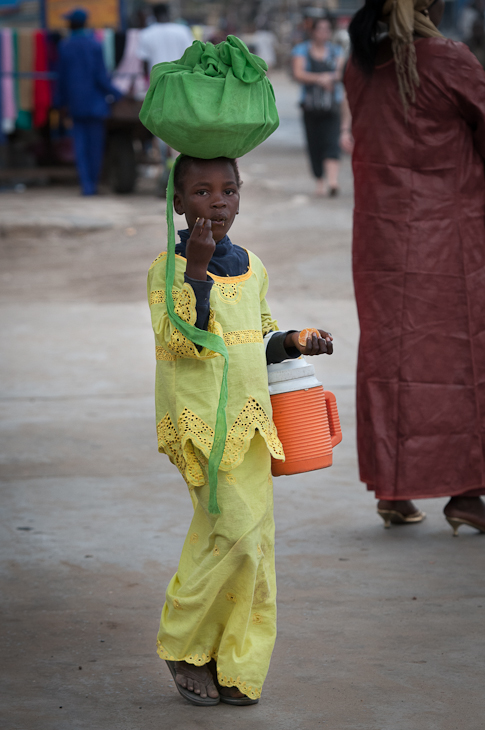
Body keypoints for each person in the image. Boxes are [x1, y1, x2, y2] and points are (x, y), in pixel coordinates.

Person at [147, 155, 334, 704]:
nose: (219, 202)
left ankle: (236, 662)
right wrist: (197, 272)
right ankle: (183, 644)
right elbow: (182, 339)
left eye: (229, 190)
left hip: (254, 423)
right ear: (178, 204)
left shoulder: (253, 265)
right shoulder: (167, 266)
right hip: (201, 424)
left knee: (256, 545)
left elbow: (263, 336)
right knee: (232, 536)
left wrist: (296, 340)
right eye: (202, 192)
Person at [344, 0, 485, 534]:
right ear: (431, 4)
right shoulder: (450, 59)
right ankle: (467, 493)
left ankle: (395, 492)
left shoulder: (359, 62)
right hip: (452, 238)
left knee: (392, 361)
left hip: (381, 238)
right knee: (463, 362)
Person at [57, 8, 122, 196]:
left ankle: (86, 185)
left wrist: (60, 103)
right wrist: (117, 94)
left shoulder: (65, 45)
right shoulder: (95, 45)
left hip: (76, 105)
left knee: (80, 147)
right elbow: (101, 77)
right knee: (95, 147)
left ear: (72, 24)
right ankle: (93, 183)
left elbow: (61, 79)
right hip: (96, 105)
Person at [292, 15, 345, 197]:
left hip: (332, 105)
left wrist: (329, 78)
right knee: (314, 144)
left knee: (332, 142)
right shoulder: (301, 50)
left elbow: (340, 73)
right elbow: (298, 73)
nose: (324, 33)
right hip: (310, 106)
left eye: (327, 29)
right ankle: (320, 182)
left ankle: (333, 181)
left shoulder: (336, 51)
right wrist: (320, 78)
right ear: (313, 31)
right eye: (320, 29)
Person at [136, 3, 193, 74]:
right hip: (179, 76)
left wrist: (146, 79)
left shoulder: (146, 33)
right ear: (168, 13)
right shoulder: (183, 30)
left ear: (154, 15)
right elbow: (190, 55)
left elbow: (145, 60)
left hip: (157, 77)